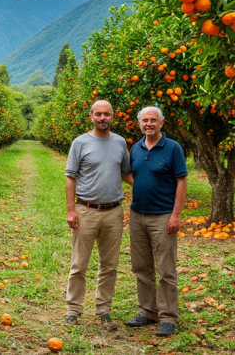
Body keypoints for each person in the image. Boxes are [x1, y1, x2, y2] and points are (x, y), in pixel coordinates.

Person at [64, 100, 132, 331]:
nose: (102, 118)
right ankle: (73, 309)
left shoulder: (120, 142)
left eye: (107, 114)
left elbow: (125, 174)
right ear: (91, 116)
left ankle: (104, 309)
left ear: (113, 116)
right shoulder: (80, 142)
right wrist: (71, 209)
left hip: (113, 212)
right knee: (79, 264)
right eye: (98, 114)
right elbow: (70, 177)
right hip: (86, 211)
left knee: (109, 265)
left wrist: (151, 187)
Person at [124, 106, 188, 337]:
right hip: (137, 215)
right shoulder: (136, 148)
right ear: (139, 123)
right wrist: (143, 187)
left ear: (161, 122)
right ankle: (147, 311)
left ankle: (168, 317)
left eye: (153, 120)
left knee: (165, 269)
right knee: (141, 267)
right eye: (144, 120)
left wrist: (176, 214)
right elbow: (131, 174)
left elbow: (181, 181)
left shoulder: (173, 148)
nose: (148, 124)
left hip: (163, 216)